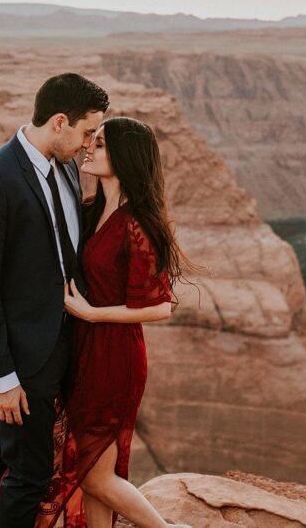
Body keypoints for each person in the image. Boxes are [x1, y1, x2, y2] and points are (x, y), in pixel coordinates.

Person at [0, 73, 108, 528]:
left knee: (7, 460)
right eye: (87, 133)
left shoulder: (63, 165)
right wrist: (2, 378)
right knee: (29, 472)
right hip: (24, 356)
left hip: (62, 342)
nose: (89, 146)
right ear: (60, 122)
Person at [49, 117, 195, 528]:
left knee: (93, 474)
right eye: (89, 140)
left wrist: (93, 314)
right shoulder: (92, 209)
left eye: (100, 143)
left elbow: (162, 307)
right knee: (97, 467)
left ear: (125, 157)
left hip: (113, 357)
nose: (88, 148)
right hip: (85, 350)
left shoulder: (137, 223)